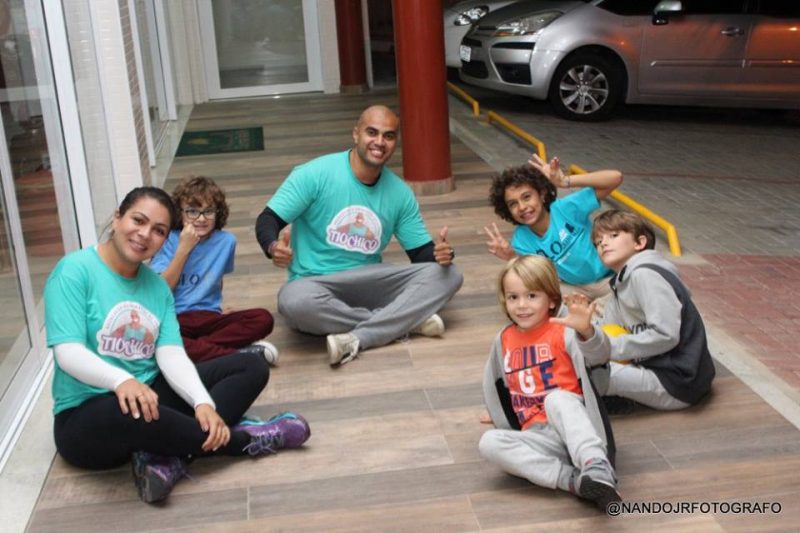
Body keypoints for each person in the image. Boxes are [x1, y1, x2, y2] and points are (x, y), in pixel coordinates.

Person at [45, 187, 310, 504]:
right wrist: (121, 380)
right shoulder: (74, 271)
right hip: (88, 417)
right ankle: (244, 440)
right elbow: (68, 352)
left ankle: (169, 456)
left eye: (158, 230)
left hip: (151, 397)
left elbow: (170, 354)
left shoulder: (157, 287)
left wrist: (202, 403)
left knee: (251, 366)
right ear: (117, 218)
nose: (145, 234)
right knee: (122, 409)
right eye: (138, 221)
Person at [255, 105, 463, 365]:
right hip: (315, 282)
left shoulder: (400, 193)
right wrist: (273, 246)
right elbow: (268, 219)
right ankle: (404, 321)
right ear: (356, 134)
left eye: (389, 136)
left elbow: (420, 254)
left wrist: (442, 254)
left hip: (370, 280)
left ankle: (361, 336)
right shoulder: (315, 173)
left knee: (450, 274)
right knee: (294, 303)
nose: (380, 142)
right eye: (372, 132)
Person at [479, 255, 620, 509]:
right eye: (513, 297)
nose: (522, 305)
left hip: (576, 427)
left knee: (556, 399)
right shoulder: (503, 340)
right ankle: (573, 480)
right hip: (539, 438)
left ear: (552, 299)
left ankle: (596, 465)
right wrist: (496, 411)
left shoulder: (565, 330)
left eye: (532, 296)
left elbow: (600, 358)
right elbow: (500, 383)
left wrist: (586, 332)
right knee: (488, 443)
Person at [591, 209, 715, 410]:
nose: (604, 243)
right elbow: (606, 328)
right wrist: (582, 327)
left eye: (613, 235)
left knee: (589, 374)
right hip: (655, 371)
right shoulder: (621, 283)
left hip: (678, 382)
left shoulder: (646, 275)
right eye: (598, 241)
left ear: (639, 243)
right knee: (577, 358)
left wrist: (604, 349)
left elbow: (666, 335)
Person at [150, 176, 277, 364]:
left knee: (263, 319)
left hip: (209, 317)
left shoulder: (226, 241)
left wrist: (218, 307)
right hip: (175, 319)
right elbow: (161, 291)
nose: (201, 219)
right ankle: (236, 354)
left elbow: (216, 278)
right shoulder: (168, 240)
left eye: (208, 211)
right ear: (179, 213)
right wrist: (184, 248)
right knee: (156, 339)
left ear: (218, 213)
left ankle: (199, 351)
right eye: (192, 211)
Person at [485, 154, 622, 301]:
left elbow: (615, 177)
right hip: (575, 289)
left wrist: (565, 181)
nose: (522, 207)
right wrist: (512, 257)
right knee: (537, 296)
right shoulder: (520, 241)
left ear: (542, 194)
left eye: (526, 197)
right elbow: (534, 277)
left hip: (611, 276)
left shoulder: (566, 208)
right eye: (513, 204)